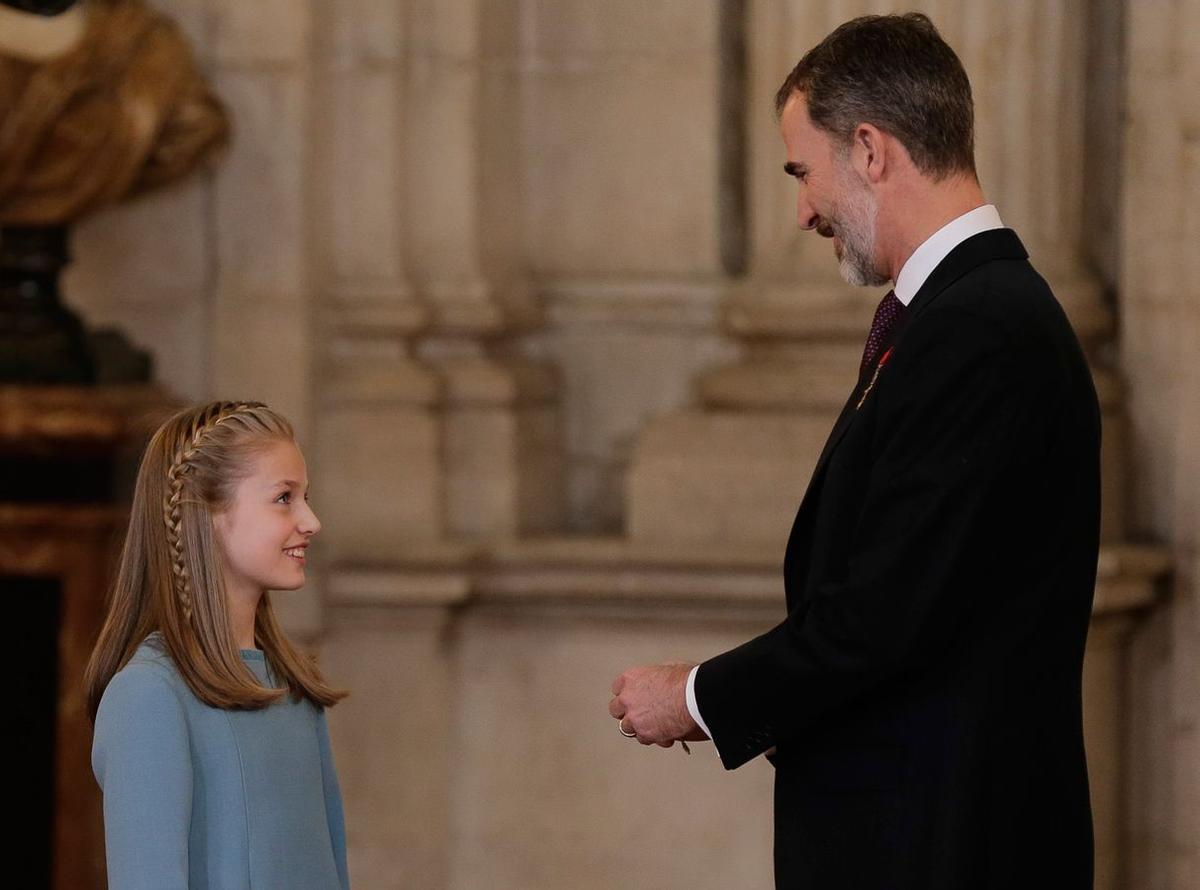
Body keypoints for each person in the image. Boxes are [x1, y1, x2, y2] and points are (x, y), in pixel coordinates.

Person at [608, 13, 1099, 889]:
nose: (802, 210)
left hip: (945, 847)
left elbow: (882, 619)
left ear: (870, 150)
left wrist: (692, 699)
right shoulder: (960, 315)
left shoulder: (980, 329)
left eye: (804, 171)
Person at [85, 401, 350, 890]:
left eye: (304, 496)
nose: (311, 521)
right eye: (284, 498)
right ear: (205, 513)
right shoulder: (149, 696)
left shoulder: (293, 690)